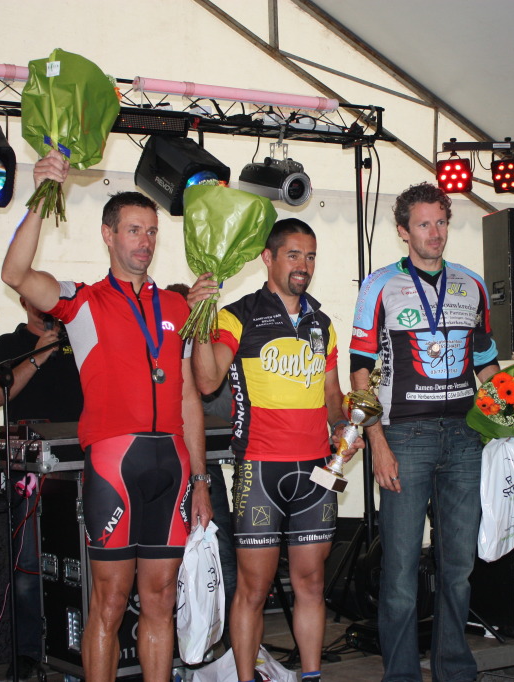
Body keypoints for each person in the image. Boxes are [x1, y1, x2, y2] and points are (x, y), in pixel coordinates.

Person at [0, 150, 212, 682]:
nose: (145, 241)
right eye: (134, 230)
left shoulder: (178, 307)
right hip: (114, 466)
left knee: (161, 599)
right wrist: (41, 197)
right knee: (110, 601)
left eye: (152, 232)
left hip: (173, 467)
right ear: (108, 235)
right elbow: (15, 273)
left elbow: (190, 396)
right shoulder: (83, 301)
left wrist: (201, 479)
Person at [188, 218, 362, 682]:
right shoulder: (237, 314)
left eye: (310, 256)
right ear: (268, 258)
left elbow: (331, 395)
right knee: (254, 588)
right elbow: (207, 381)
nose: (303, 265)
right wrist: (201, 321)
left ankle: (311, 677)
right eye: (293, 255)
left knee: (311, 583)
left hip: (316, 473)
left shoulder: (322, 323)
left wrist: (344, 426)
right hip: (260, 469)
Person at [348, 183, 500, 682]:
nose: (435, 233)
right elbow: (359, 372)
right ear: (403, 231)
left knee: (459, 568)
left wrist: (511, 411)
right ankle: (401, 675)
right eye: (423, 224)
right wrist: (377, 444)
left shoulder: (472, 285)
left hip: (464, 436)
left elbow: (485, 362)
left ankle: (454, 668)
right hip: (405, 438)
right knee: (400, 571)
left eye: (441, 222)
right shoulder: (379, 286)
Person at [0, 296, 83, 678]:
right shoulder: (9, 345)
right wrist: (38, 355)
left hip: (81, 468)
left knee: (90, 563)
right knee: (27, 566)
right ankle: (27, 653)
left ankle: (85, 650)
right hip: (30, 473)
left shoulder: (78, 340)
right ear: (24, 300)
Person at [164, 282, 237, 631]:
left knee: (222, 559)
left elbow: (216, 404)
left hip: (201, 465)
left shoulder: (209, 349)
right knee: (164, 565)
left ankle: (228, 646)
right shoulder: (159, 346)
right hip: (162, 460)